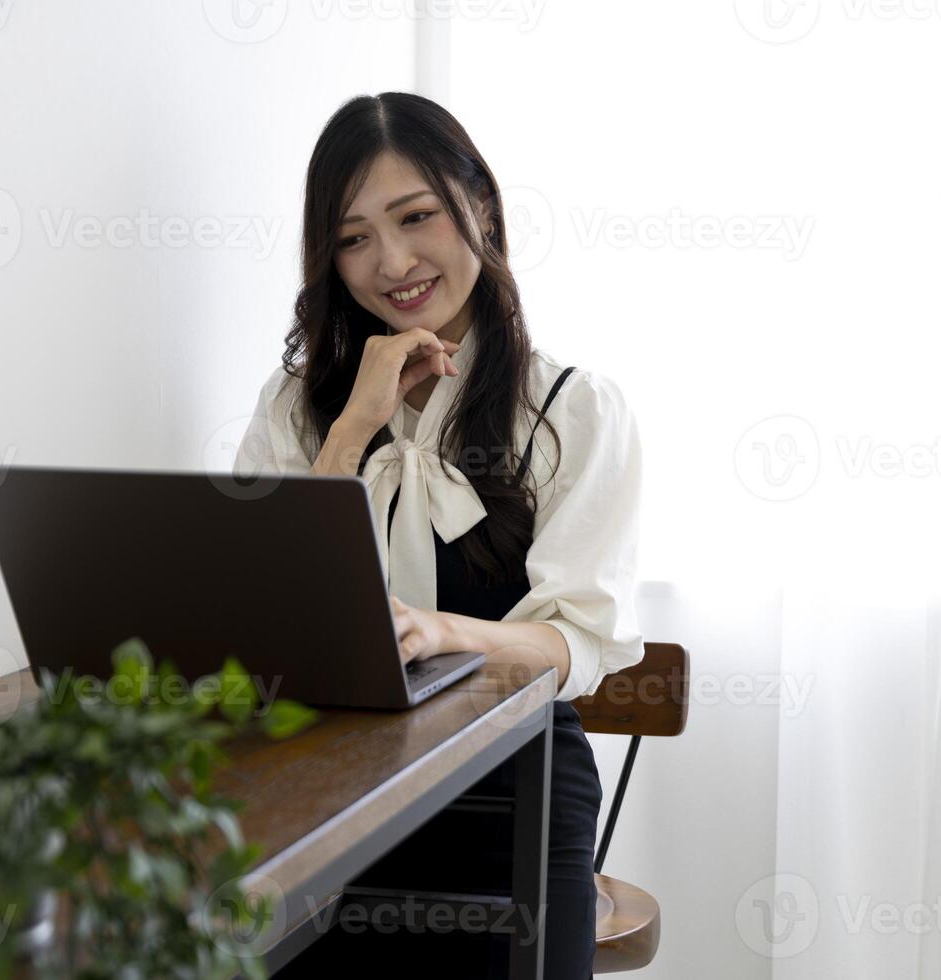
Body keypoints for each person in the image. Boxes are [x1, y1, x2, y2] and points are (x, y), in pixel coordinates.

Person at [232, 91, 644, 978]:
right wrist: (350, 430)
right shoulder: (294, 406)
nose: (393, 262)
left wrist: (440, 632)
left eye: (416, 217)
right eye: (352, 237)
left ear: (480, 208)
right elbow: (260, 612)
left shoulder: (570, 409)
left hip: (514, 803)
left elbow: (583, 640)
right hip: (324, 804)